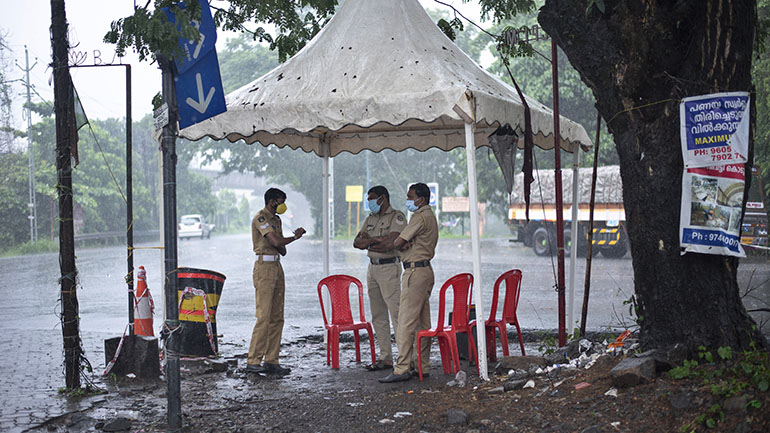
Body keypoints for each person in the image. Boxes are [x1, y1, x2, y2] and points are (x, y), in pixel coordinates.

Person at [379, 183, 438, 383]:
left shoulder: (419, 217)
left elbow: (398, 242)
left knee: (405, 322)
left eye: (410, 196)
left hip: (414, 272)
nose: (408, 200)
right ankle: (422, 365)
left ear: (421, 199)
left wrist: (402, 243)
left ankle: (402, 368)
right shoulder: (430, 216)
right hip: (425, 271)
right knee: (422, 323)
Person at [246, 188, 306, 375]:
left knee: (277, 317)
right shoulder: (261, 218)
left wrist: (286, 240)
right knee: (263, 316)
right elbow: (274, 240)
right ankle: (253, 360)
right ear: (272, 201)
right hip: (264, 267)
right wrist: (293, 238)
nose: (282, 206)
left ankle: (271, 359)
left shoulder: (277, 220)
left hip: (277, 267)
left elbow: (282, 249)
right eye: (280, 202)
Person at [353, 186, 406, 371]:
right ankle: (386, 358)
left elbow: (392, 243)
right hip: (372, 268)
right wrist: (376, 241)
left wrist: (369, 241)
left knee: (397, 314)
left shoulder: (396, 217)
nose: (370, 202)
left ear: (383, 198)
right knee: (378, 315)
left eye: (372, 198)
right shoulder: (370, 218)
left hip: (389, 267)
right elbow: (356, 242)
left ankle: (406, 359)